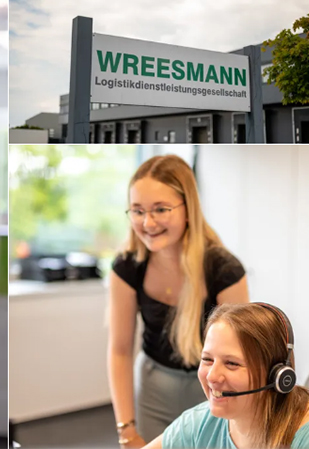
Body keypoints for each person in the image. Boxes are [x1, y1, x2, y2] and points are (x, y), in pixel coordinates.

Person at [107, 154, 249, 447]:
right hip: (154, 389)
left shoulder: (224, 270)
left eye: (161, 209)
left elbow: (243, 355)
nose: (148, 222)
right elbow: (119, 351)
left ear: (188, 209)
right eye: (138, 211)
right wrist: (126, 429)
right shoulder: (127, 267)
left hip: (213, 389)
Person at [144, 303, 309, 448]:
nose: (211, 377)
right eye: (207, 359)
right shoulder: (201, 423)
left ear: (276, 376)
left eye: (231, 363)